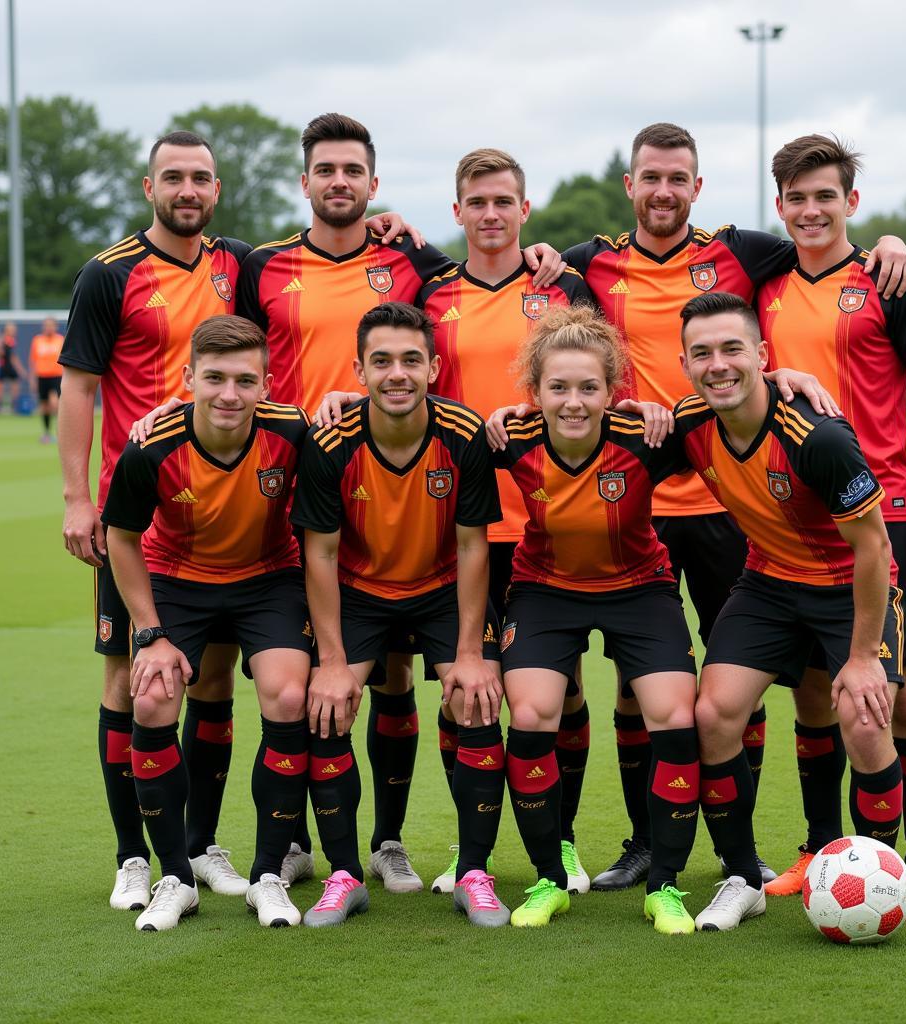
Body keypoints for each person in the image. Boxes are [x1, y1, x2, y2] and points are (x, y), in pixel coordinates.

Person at [557, 123, 906, 890]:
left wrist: (888, 239)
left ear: (697, 186)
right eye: (650, 178)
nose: (663, 190)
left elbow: (826, 242)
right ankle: (651, 845)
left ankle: (815, 861)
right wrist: (536, 254)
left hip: (738, 510)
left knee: (782, 698)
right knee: (644, 684)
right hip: (655, 489)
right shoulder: (590, 263)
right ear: (631, 186)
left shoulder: (746, 252)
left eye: (677, 178)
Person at [239, 116, 563, 893]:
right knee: (308, 686)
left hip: (454, 504)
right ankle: (286, 846)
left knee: (513, 689)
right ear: (306, 179)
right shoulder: (260, 267)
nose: (340, 181)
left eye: (354, 170)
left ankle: (407, 844)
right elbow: (228, 357)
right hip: (308, 493)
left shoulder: (414, 265)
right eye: (326, 168)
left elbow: (496, 279)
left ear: (375, 185)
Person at [756, 134, 906, 920]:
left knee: (902, 693)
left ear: (851, 203)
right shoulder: (763, 280)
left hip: (888, 513)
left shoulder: (888, 277)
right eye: (797, 198)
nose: (811, 210)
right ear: (780, 207)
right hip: (792, 521)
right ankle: (819, 846)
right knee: (813, 691)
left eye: (825, 196)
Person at [58, 131, 255, 909]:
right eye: (173, 176)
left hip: (225, 508)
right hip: (134, 517)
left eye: (201, 177)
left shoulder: (236, 263)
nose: (188, 189)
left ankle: (201, 846)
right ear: (149, 187)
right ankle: (131, 855)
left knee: (210, 679)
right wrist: (80, 501)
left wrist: (393, 224)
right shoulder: (109, 274)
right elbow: (79, 390)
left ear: (216, 187)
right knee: (130, 677)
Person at [666, 292, 905, 933]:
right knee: (713, 713)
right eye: (702, 353)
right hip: (768, 584)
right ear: (685, 364)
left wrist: (860, 659)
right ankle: (741, 876)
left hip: (845, 586)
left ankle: (883, 874)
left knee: (861, 715)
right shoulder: (690, 425)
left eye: (732, 349)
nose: (718, 365)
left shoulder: (817, 437)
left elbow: (875, 547)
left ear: (763, 357)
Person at [290, 301, 508, 928]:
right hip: (358, 591)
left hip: (441, 588)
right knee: (327, 708)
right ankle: (343, 874)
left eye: (412, 360)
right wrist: (331, 662)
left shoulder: (462, 433)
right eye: (381, 361)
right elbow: (321, 554)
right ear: (359, 369)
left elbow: (473, 546)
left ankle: (473, 872)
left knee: (475, 698)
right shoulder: (329, 442)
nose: (397, 374)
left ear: (434, 367)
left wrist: (470, 652)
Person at [418, 148, 596, 894]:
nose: (490, 214)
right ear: (456, 212)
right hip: (459, 522)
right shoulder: (430, 293)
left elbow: (597, 381)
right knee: (466, 691)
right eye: (476, 202)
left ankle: (563, 844)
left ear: (525, 210)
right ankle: (471, 853)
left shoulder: (563, 286)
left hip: (550, 520)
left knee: (563, 692)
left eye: (504, 202)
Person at [493, 305, 701, 934]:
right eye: (558, 387)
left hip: (639, 588)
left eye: (589, 387)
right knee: (531, 715)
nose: (574, 402)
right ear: (535, 393)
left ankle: (664, 886)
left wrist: (795, 378)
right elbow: (429, 430)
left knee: (675, 717)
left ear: (615, 392)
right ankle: (550, 879)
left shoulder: (647, 440)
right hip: (543, 588)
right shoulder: (512, 440)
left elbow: (737, 402)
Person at [102, 316, 313, 931]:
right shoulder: (152, 444)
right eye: (214, 377)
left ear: (267, 384)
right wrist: (150, 634)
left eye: (245, 380)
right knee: (152, 700)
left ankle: (269, 875)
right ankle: (175, 875)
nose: (229, 393)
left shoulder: (293, 433)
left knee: (288, 694)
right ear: (188, 377)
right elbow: (121, 538)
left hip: (268, 578)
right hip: (176, 577)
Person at [31, 318, 64, 442]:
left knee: (56, 403)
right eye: (46, 325)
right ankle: (47, 433)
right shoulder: (37, 340)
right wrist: (33, 379)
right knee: (44, 405)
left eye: (51, 325)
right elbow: (33, 361)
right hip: (42, 376)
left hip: (57, 375)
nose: (49, 328)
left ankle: (61, 431)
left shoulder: (60, 340)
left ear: (55, 326)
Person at [0, 322, 27, 412]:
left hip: (10, 367)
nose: (13, 331)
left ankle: (13, 406)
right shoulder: (2, 339)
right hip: (2, 366)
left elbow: (13, 357)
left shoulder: (11, 341)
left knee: (15, 385)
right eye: (11, 330)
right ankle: (0, 406)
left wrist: (20, 369)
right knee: (0, 386)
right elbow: (3, 354)